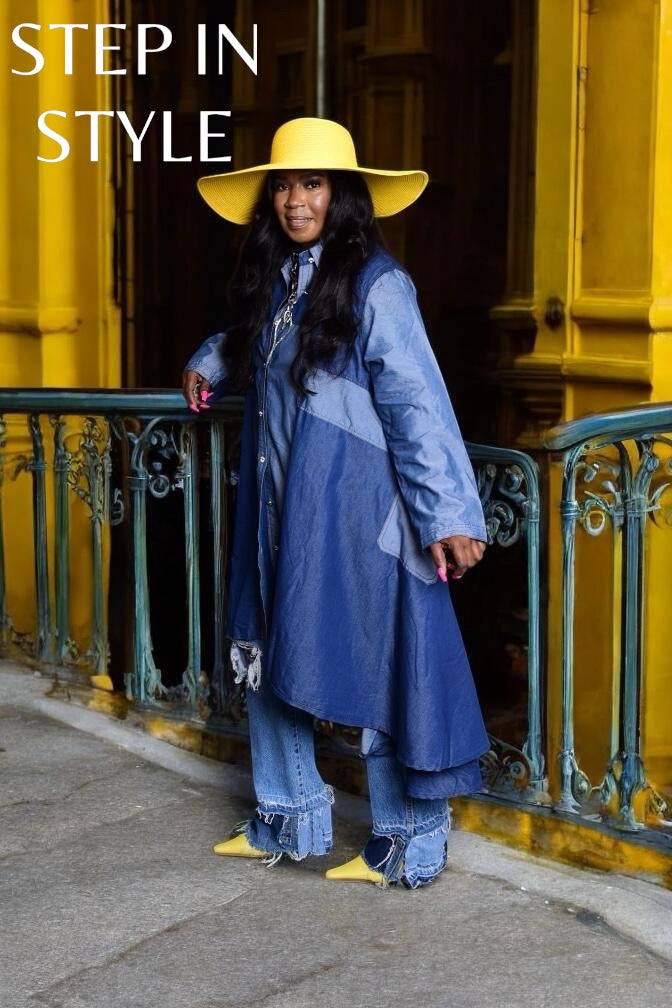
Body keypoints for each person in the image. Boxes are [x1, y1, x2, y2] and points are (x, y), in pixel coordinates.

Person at [182, 117, 489, 888]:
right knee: (266, 651)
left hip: (359, 514)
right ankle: (288, 817)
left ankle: (410, 840)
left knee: (382, 661)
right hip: (283, 508)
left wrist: (447, 513)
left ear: (343, 196)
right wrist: (211, 356)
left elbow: (416, 401)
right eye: (283, 185)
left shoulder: (380, 284)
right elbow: (261, 339)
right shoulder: (280, 280)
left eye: (312, 184)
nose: (294, 201)